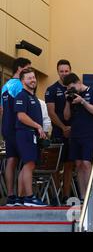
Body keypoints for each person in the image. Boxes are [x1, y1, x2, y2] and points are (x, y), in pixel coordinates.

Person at [63, 73, 93, 202]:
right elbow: (66, 117)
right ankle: (83, 195)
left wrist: (83, 101)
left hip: (89, 134)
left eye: (72, 87)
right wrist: (68, 101)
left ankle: (90, 194)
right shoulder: (71, 96)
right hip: (76, 134)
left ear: (78, 82)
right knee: (78, 164)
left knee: (86, 163)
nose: (71, 90)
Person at [15, 68, 47, 206]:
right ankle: (29, 197)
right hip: (25, 133)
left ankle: (21, 198)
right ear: (22, 81)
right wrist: (37, 126)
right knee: (29, 164)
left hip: (31, 134)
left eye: (33, 77)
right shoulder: (21, 96)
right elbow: (21, 116)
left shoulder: (33, 96)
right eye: (29, 78)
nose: (33, 80)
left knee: (27, 165)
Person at [1, 57, 31, 206]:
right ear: (20, 68)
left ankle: (10, 195)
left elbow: (1, 109)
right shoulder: (20, 85)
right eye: (27, 69)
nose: (30, 74)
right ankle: (22, 196)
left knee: (11, 160)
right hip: (18, 127)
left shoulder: (5, 86)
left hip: (6, 127)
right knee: (25, 160)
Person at [45, 59, 73, 203]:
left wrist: (71, 128)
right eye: (61, 71)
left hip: (73, 132)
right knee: (57, 165)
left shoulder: (74, 88)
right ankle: (56, 195)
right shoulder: (51, 89)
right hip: (58, 132)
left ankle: (66, 196)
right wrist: (63, 127)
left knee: (69, 164)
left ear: (70, 71)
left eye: (66, 71)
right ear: (57, 72)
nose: (64, 74)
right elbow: (51, 112)